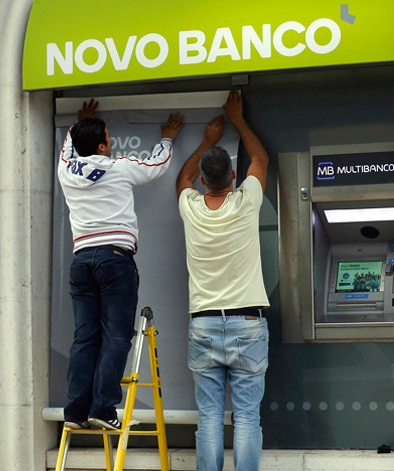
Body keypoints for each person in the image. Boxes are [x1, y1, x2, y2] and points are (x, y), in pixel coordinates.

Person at [58, 99, 185, 431]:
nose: (112, 140)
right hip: (115, 260)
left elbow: (69, 146)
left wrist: (81, 122)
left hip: (81, 261)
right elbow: (157, 164)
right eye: (108, 137)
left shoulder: (66, 169)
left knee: (85, 338)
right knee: (116, 336)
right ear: (102, 146)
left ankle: (75, 412)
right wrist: (168, 137)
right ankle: (103, 409)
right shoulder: (120, 167)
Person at [176, 90, 270, 471]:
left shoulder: (190, 208)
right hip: (247, 323)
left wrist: (206, 141)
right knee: (247, 416)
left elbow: (182, 178)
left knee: (210, 417)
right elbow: (261, 159)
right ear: (234, 176)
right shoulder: (246, 202)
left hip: (204, 325)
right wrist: (238, 119)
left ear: (203, 180)